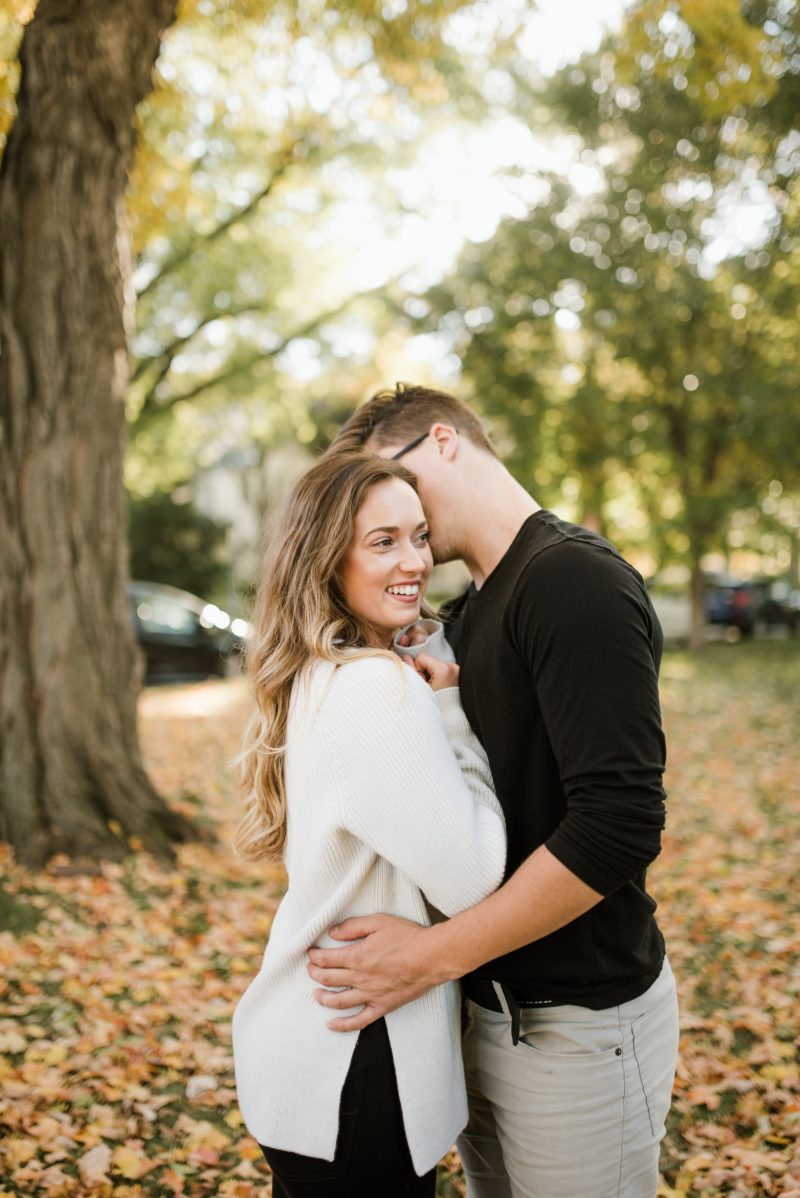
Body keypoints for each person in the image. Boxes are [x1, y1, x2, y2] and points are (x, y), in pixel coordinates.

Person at [306, 383, 680, 1198]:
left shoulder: (573, 582)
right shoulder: (468, 613)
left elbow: (619, 825)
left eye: (394, 479)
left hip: (577, 1027)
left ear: (443, 441)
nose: (394, 512)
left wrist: (429, 960)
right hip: (482, 1014)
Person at [231, 452, 506, 1197]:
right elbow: (477, 877)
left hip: (316, 1052)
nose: (414, 560)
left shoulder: (324, 673)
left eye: (418, 536)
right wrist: (452, 709)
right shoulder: (377, 691)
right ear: (328, 561)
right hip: (351, 1069)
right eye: (382, 542)